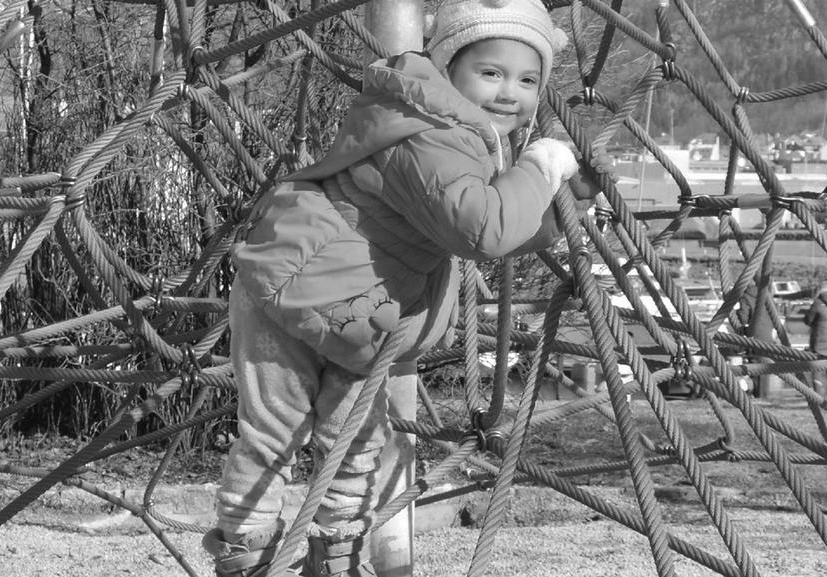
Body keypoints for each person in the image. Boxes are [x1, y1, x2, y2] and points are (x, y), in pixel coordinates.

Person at [202, 1, 609, 575]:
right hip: (292, 294)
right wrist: (543, 167)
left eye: (527, 80)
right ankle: (247, 556)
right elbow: (483, 230)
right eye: (490, 72)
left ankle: (336, 552)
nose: (509, 93)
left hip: (352, 314)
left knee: (357, 439)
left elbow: (492, 227)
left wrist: (569, 199)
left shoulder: (457, 133)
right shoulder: (431, 133)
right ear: (447, 68)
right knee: (274, 433)